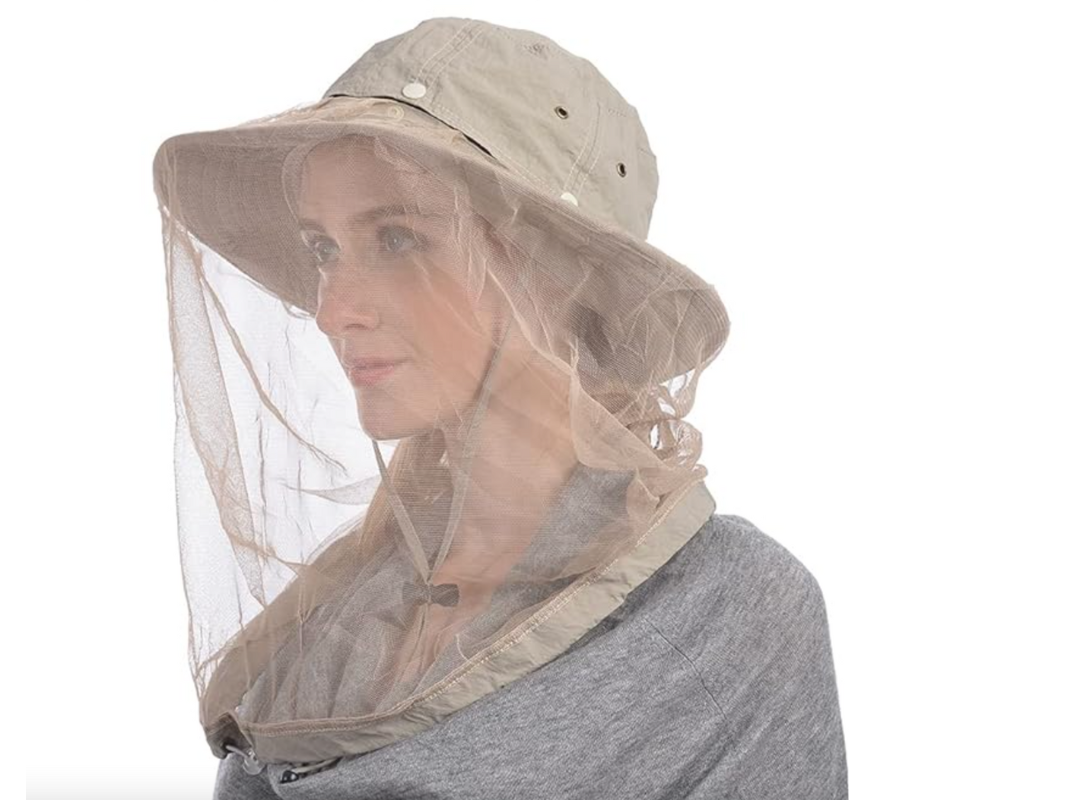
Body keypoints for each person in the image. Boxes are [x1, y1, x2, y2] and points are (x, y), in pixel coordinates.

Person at [151, 17, 848, 798]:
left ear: (555, 268)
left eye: (397, 240)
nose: (333, 309)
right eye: (323, 250)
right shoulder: (340, 617)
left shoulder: (721, 610)